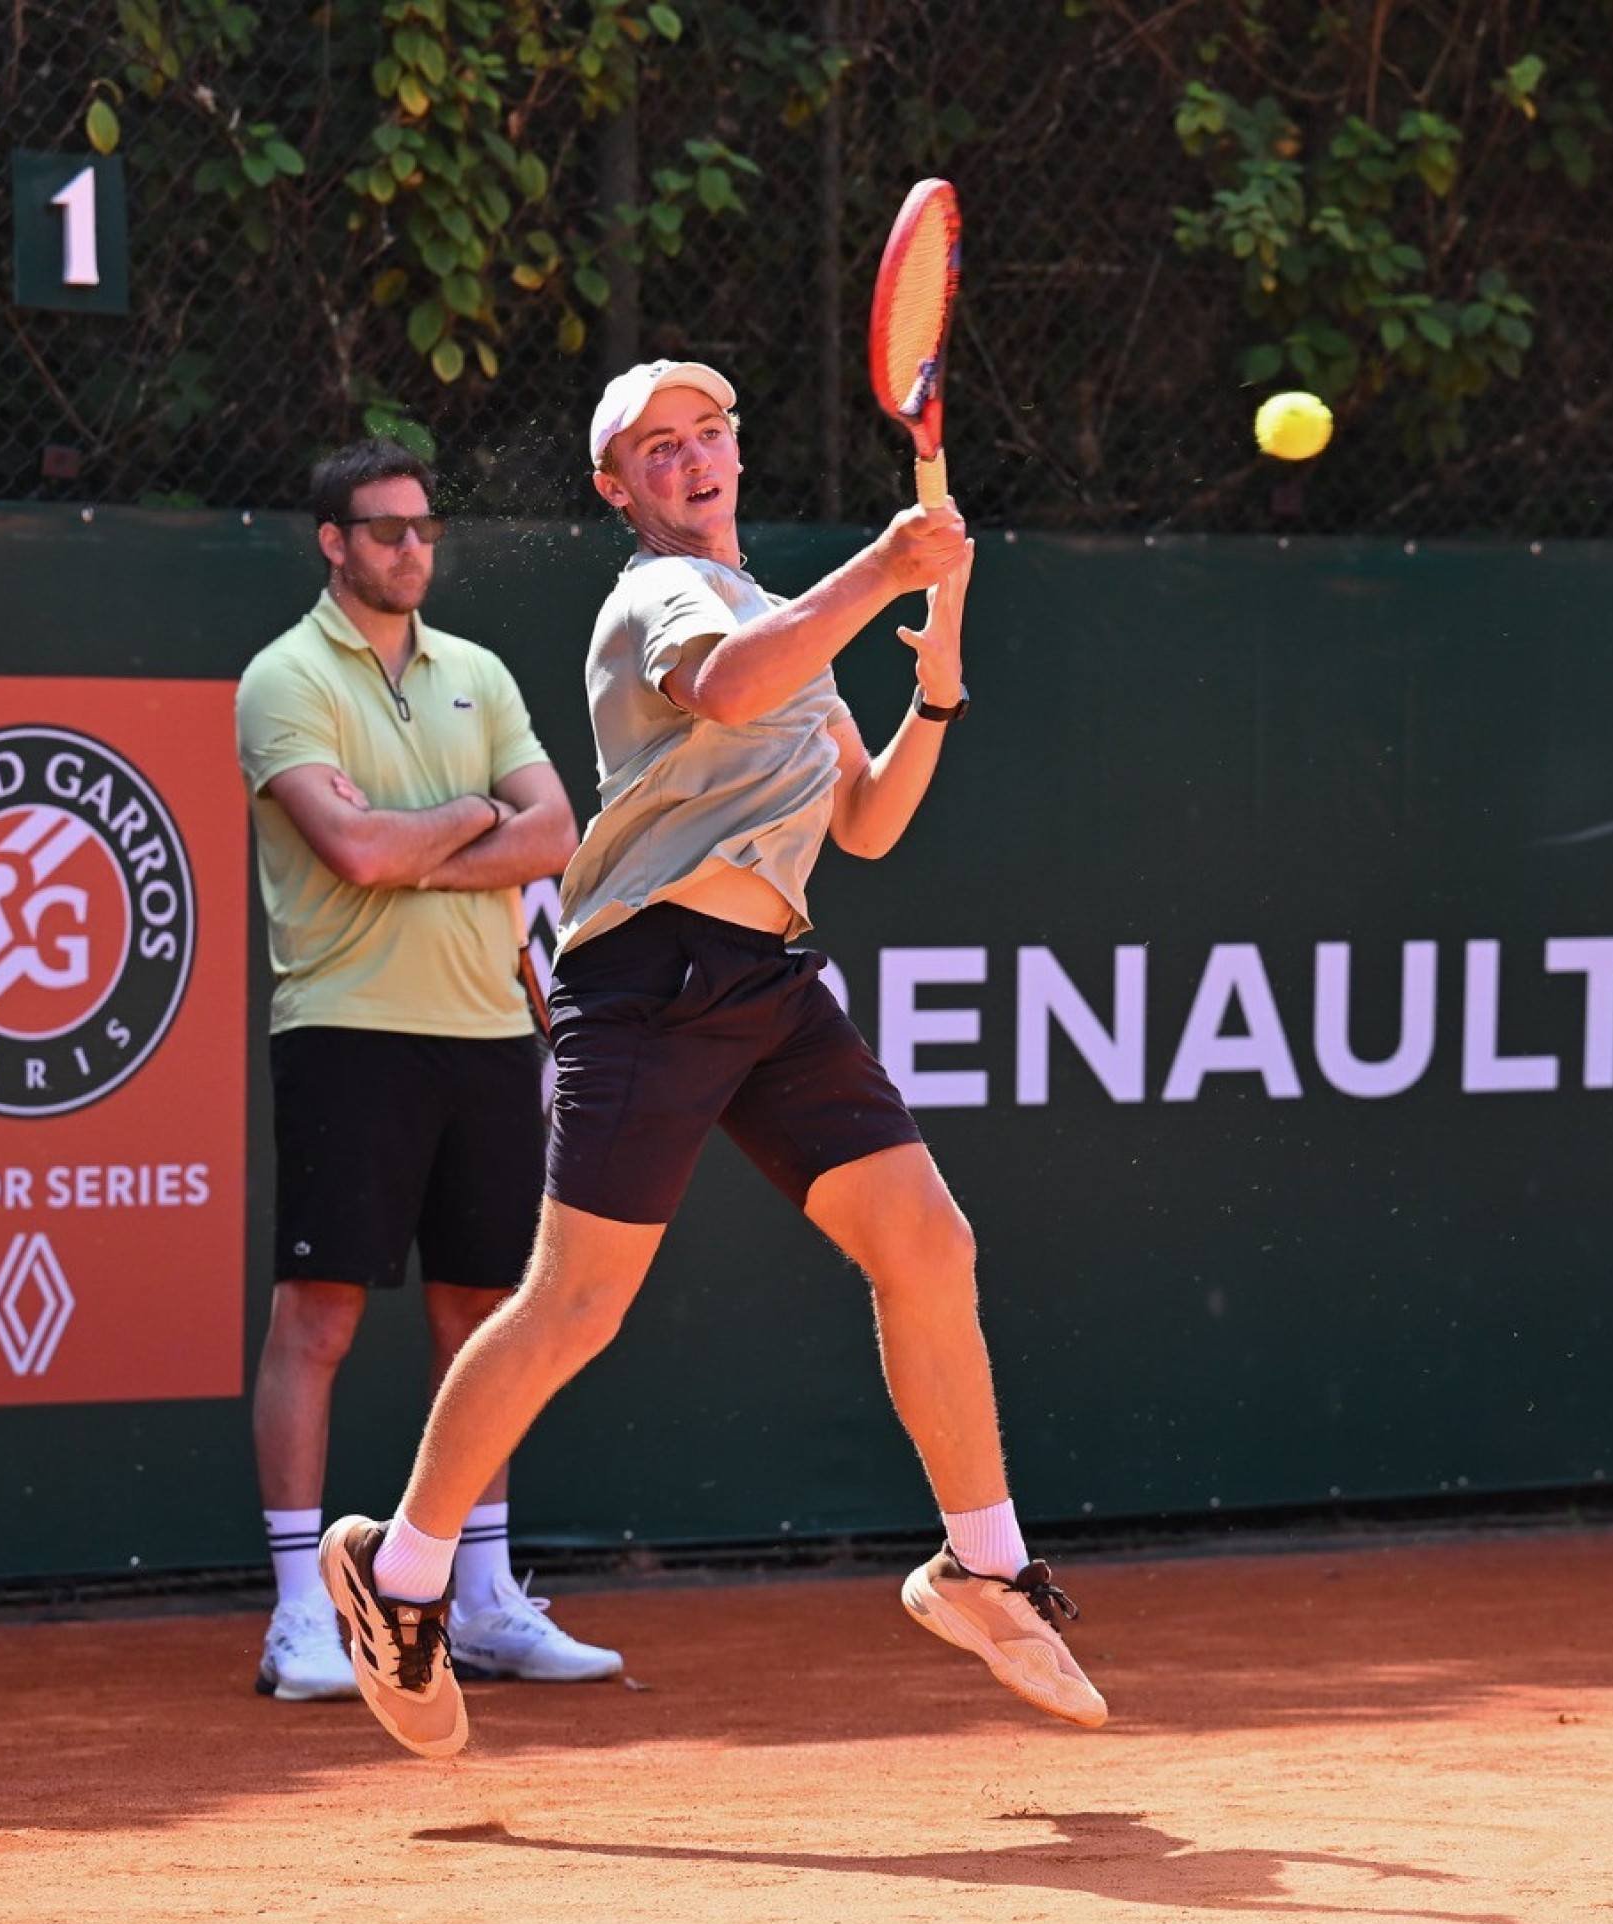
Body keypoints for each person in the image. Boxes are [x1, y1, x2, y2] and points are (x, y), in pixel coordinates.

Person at [317, 363, 1106, 1758]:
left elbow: (860, 824)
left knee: (928, 1241)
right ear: (617, 490)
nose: (690, 460)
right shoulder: (662, 600)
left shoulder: (775, 616)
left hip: (766, 977)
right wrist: (884, 565)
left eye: (708, 435)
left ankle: (981, 1563)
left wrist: (934, 692)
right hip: (650, 974)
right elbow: (738, 689)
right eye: (654, 449)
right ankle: (399, 1574)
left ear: (737, 451)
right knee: (572, 1306)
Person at [234, 438, 620, 1702]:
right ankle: (301, 1612)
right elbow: (348, 850)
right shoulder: (283, 680)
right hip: (345, 1026)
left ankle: (484, 1594)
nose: (411, 548)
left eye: (424, 529)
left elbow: (558, 829)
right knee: (323, 1318)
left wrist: (422, 839)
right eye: (384, 529)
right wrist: (472, 820)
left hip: (487, 1036)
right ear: (332, 541)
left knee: (484, 1319)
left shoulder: (482, 673)